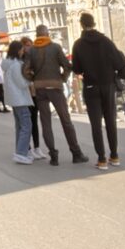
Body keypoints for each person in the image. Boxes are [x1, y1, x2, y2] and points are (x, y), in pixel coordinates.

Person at [71, 13, 125, 170]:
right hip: (108, 85)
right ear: (94, 23)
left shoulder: (78, 44)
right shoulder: (106, 41)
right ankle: (115, 155)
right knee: (110, 120)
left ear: (81, 25)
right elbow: (119, 62)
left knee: (96, 124)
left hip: (91, 86)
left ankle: (102, 159)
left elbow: (76, 68)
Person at [24, 25, 87, 165]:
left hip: (40, 89)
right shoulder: (55, 47)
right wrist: (62, 78)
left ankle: (53, 155)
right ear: (47, 34)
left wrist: (34, 79)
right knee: (66, 121)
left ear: (36, 35)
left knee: (46, 123)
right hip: (55, 87)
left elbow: (26, 71)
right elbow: (67, 66)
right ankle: (76, 153)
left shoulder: (32, 50)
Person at [2, 41, 34, 164]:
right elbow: (21, 83)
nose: (23, 52)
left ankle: (21, 151)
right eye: (21, 49)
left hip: (14, 98)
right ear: (17, 50)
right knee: (26, 125)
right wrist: (30, 81)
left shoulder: (8, 64)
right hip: (20, 98)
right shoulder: (16, 65)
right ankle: (21, 153)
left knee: (20, 126)